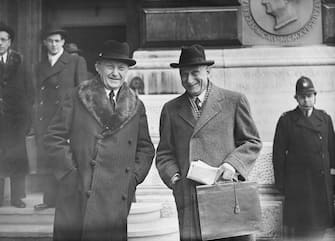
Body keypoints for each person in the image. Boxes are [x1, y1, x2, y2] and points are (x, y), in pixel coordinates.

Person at [44, 40, 155, 241]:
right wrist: (70, 174)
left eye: (121, 68)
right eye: (110, 67)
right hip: (78, 193)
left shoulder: (136, 106)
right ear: (98, 67)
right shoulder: (77, 96)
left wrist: (132, 179)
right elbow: (54, 137)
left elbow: (146, 148)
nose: (116, 73)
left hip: (116, 197)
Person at [156, 44, 262, 241]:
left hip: (225, 194)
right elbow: (164, 154)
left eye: (195, 73)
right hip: (189, 198)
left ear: (208, 71)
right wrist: (175, 179)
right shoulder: (170, 110)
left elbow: (252, 141)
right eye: (184, 74)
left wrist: (233, 165)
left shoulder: (234, 101)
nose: (189, 80)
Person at [272, 76, 335, 241]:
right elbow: (278, 155)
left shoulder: (325, 119)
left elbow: (332, 151)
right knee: (301, 230)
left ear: (315, 96)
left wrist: (332, 180)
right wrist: (281, 184)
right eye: (302, 96)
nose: (306, 100)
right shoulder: (287, 120)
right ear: (296, 98)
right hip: (299, 186)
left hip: (321, 185)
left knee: (320, 230)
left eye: (309, 96)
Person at [33, 25, 87, 211]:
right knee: (48, 159)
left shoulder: (75, 61)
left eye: (57, 41)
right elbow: (37, 96)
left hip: (68, 118)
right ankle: (50, 199)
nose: (54, 45)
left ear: (63, 42)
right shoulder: (41, 65)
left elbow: (83, 91)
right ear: (44, 43)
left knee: (68, 158)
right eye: (50, 41)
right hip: (46, 119)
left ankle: (69, 200)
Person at [0, 22, 32, 208]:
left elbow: (30, 92)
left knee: (17, 158)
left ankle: (16, 197)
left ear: (10, 42)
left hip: (15, 121)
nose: (0, 43)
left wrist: (26, 120)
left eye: (3, 40)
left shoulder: (19, 62)